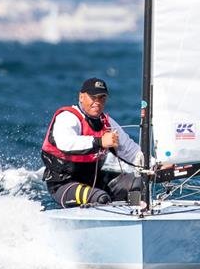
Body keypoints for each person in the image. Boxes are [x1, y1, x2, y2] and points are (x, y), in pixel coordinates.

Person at [41, 77, 143, 207]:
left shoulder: (107, 123)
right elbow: (65, 142)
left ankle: (138, 217)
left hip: (95, 181)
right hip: (63, 184)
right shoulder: (68, 117)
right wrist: (99, 141)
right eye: (93, 97)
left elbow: (131, 151)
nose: (97, 102)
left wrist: (155, 165)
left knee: (137, 183)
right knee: (100, 198)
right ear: (81, 97)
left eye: (102, 98)